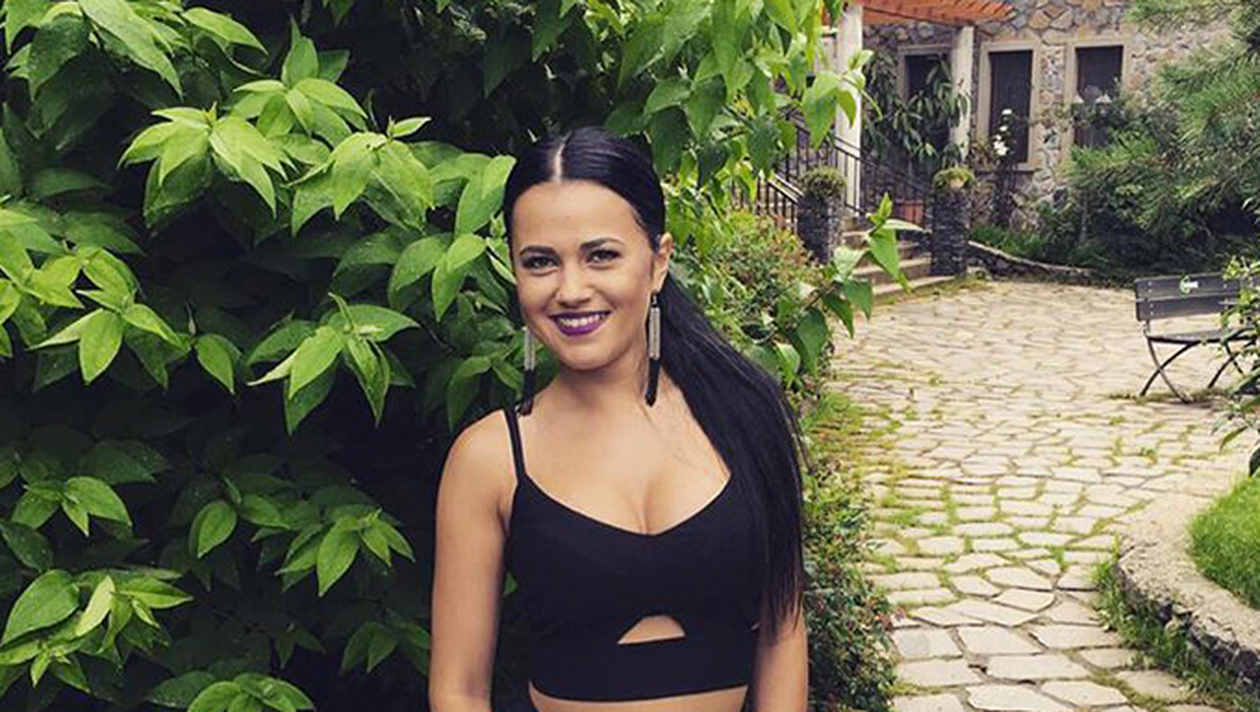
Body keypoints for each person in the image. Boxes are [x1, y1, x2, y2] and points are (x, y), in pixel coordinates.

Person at [429, 126, 809, 712]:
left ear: (658, 262)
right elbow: (459, 690)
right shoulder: (490, 458)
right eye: (540, 262)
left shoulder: (743, 413)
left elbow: (782, 631)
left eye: (601, 255)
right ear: (515, 273)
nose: (571, 290)